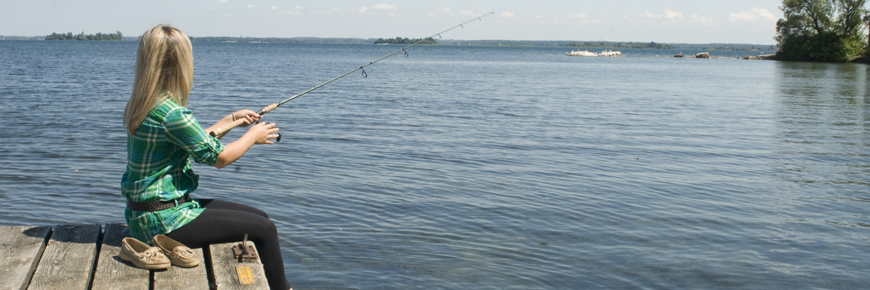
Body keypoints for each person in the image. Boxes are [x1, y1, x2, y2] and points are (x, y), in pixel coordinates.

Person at [121, 25, 290, 290]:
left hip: (146, 212)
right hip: (163, 220)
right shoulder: (173, 114)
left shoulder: (145, 104)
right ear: (180, 63)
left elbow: (194, 141)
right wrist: (252, 136)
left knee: (260, 217)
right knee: (265, 230)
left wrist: (231, 120)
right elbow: (220, 158)